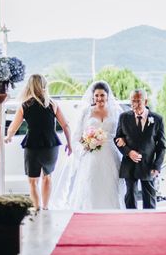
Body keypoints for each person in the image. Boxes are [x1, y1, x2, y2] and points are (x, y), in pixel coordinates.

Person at [50, 80, 125, 210]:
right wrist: (86, 146)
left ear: (107, 96)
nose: (99, 98)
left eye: (102, 95)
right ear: (93, 96)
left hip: (110, 154)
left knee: (110, 185)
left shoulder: (116, 111)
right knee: (92, 184)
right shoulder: (86, 112)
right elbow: (76, 137)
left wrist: (122, 141)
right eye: (96, 95)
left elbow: (123, 132)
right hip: (91, 155)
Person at [4, 74, 72, 210]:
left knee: (32, 180)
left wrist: (8, 136)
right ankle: (45, 208)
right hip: (51, 144)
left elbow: (13, 126)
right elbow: (65, 125)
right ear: (44, 86)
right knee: (47, 177)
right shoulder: (52, 104)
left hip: (32, 144)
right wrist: (69, 144)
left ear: (29, 86)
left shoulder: (25, 105)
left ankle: (37, 208)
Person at [115, 89, 166, 209]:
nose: (135, 105)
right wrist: (128, 152)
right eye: (133, 101)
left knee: (149, 198)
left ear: (145, 101)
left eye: (138, 101)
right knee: (130, 198)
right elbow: (118, 139)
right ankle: (131, 224)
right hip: (129, 165)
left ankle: (150, 224)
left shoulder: (157, 119)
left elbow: (161, 146)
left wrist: (157, 166)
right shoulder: (123, 117)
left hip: (148, 165)